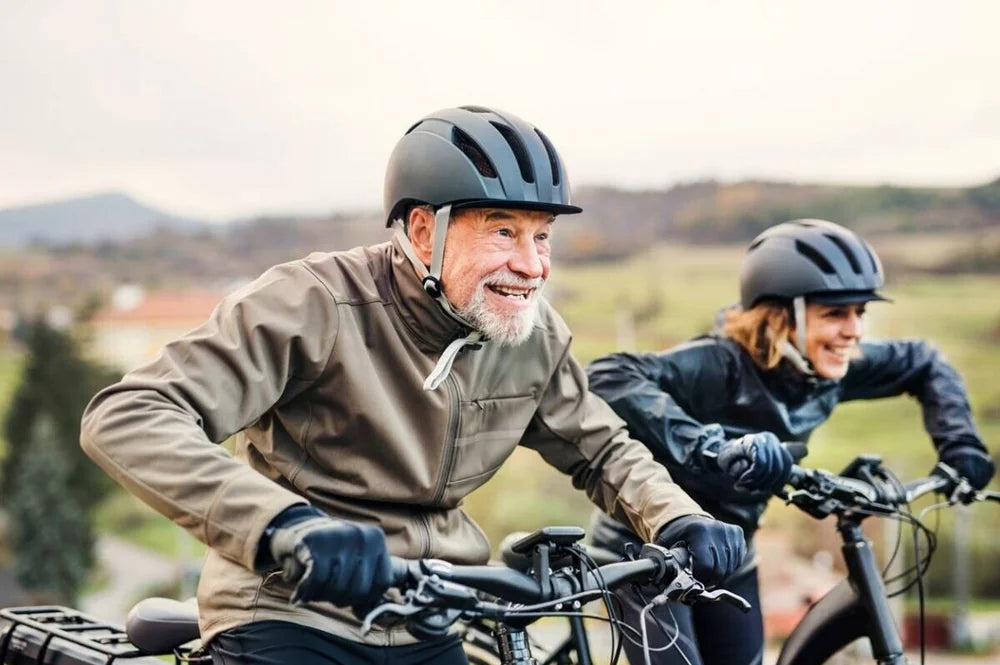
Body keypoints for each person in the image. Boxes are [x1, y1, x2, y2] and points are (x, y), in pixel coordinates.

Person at [80, 106, 745, 665]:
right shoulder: (313, 303)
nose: (533, 264)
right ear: (425, 229)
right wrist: (284, 525)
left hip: (431, 613)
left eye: (543, 236)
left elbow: (604, 450)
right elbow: (130, 414)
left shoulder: (530, 334)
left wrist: (677, 515)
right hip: (291, 611)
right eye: (505, 231)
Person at [586, 219, 995, 665]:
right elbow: (609, 376)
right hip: (652, 549)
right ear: (782, 316)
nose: (855, 330)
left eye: (861, 312)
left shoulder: (829, 368)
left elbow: (924, 361)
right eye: (835, 314)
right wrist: (714, 446)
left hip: (731, 550)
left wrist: (962, 448)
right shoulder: (722, 364)